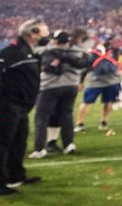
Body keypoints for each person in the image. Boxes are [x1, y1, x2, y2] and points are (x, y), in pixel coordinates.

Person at [0, 18, 49, 196]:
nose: (47, 35)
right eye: (44, 31)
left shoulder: (28, 52)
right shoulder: (15, 50)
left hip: (19, 105)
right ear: (32, 33)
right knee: (0, 144)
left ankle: (15, 176)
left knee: (18, 142)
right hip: (6, 104)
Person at [30, 29, 88, 157]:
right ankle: (69, 144)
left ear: (55, 40)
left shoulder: (48, 51)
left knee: (41, 117)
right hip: (71, 85)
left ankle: (39, 149)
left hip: (50, 86)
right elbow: (86, 63)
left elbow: (50, 67)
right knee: (66, 116)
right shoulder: (76, 52)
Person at [76, 41, 122, 133]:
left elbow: (85, 69)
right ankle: (103, 121)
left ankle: (79, 123)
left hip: (95, 81)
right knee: (108, 101)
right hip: (112, 81)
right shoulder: (114, 53)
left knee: (86, 102)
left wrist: (81, 81)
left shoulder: (94, 54)